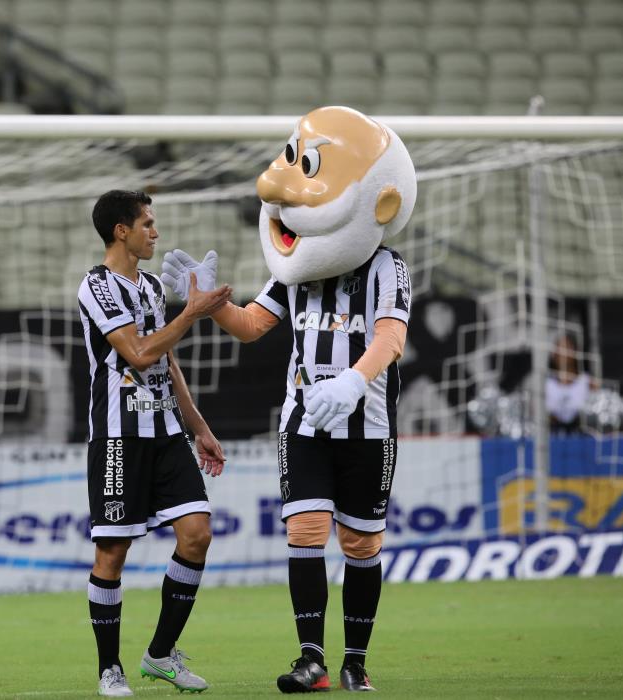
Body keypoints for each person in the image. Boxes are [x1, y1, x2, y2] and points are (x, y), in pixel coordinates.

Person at [163, 106, 417, 693]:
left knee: (360, 541)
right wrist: (205, 303)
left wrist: (354, 380)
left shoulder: (386, 267)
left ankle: (356, 661)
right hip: (303, 419)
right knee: (304, 530)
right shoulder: (295, 269)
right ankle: (311, 659)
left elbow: (391, 336)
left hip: (368, 423)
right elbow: (252, 324)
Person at [77, 189, 233, 697]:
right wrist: (192, 313)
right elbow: (140, 353)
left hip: (165, 433)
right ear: (121, 231)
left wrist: (199, 426)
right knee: (113, 553)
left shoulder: (147, 286)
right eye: (147, 223)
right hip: (119, 438)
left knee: (197, 534)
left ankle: (161, 654)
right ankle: (109, 668)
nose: (155, 233)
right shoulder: (96, 287)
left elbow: (165, 362)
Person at [545, 333, 595, 433]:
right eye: (558, 348)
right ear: (554, 355)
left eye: (567, 347)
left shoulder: (588, 382)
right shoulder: (545, 385)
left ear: (575, 351)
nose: (563, 352)